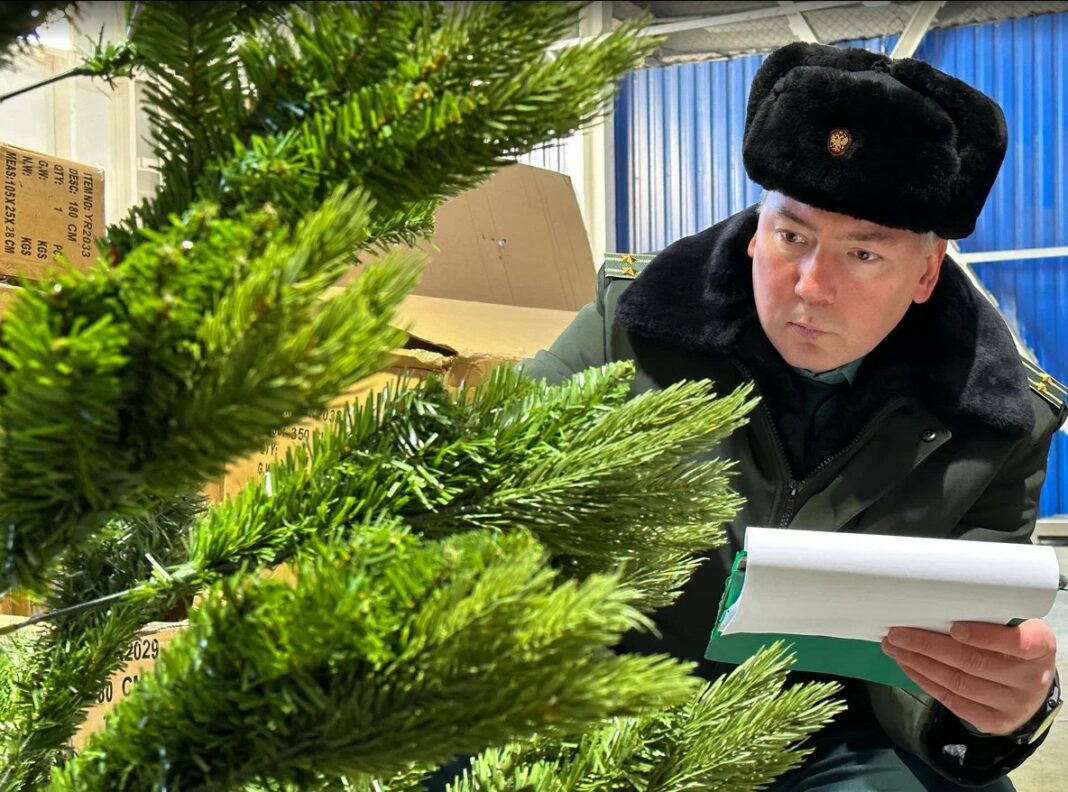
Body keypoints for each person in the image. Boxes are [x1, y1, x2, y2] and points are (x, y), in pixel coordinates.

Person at [520, 42, 1066, 791]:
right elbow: (493, 463)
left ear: (926, 270)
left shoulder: (999, 422)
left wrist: (991, 702)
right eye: (792, 237)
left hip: (826, 731)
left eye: (863, 255)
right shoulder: (631, 326)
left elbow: (943, 651)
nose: (811, 286)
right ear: (757, 231)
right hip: (611, 694)